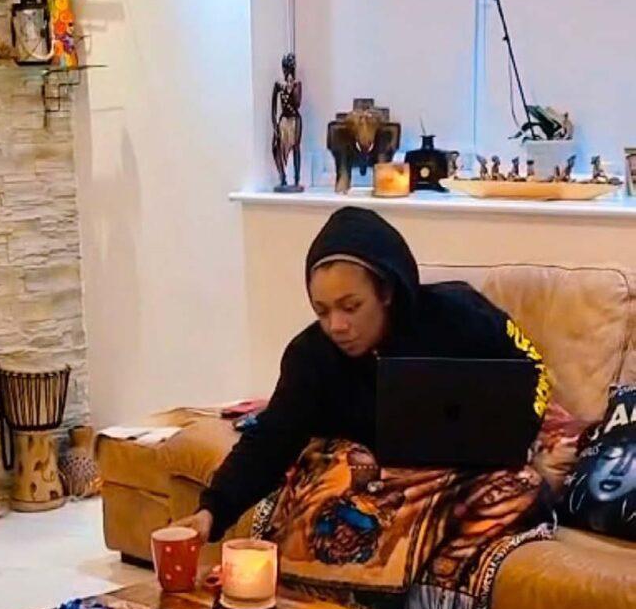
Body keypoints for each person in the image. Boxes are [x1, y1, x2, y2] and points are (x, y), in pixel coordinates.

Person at [175, 206, 549, 545]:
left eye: (351, 306)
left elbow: (532, 369)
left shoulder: (459, 315)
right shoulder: (310, 355)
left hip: (468, 472)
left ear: (386, 291)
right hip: (375, 487)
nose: (336, 325)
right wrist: (212, 511)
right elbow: (271, 438)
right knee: (333, 493)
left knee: (523, 487)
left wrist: (517, 432)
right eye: (322, 311)